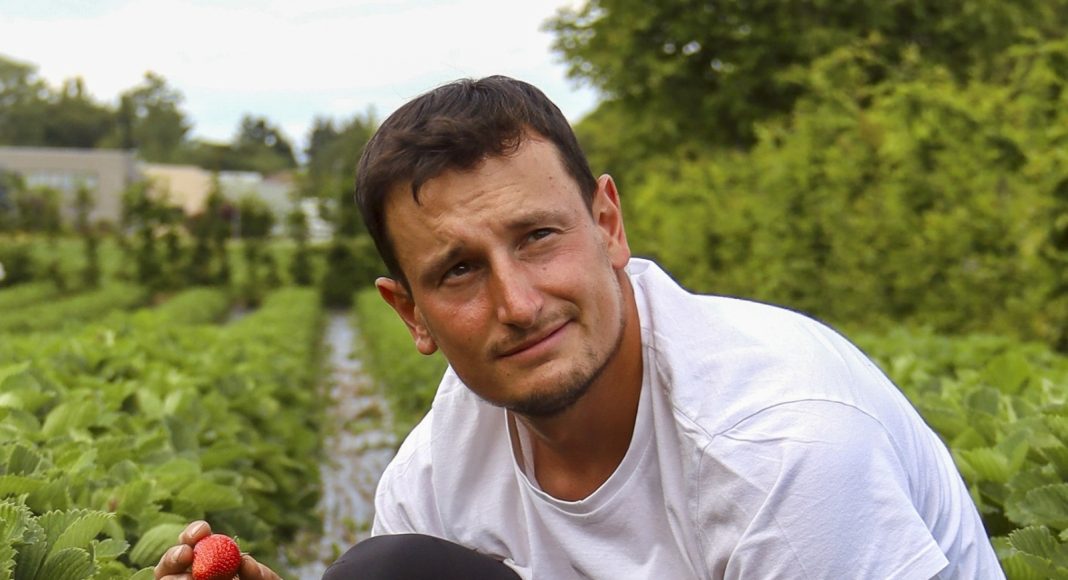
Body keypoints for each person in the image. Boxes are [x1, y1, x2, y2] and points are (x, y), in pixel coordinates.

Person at [156, 76, 1004, 580]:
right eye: (459, 270)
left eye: (538, 237)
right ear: (411, 313)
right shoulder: (437, 472)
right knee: (388, 573)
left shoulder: (780, 444)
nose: (519, 303)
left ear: (608, 225)